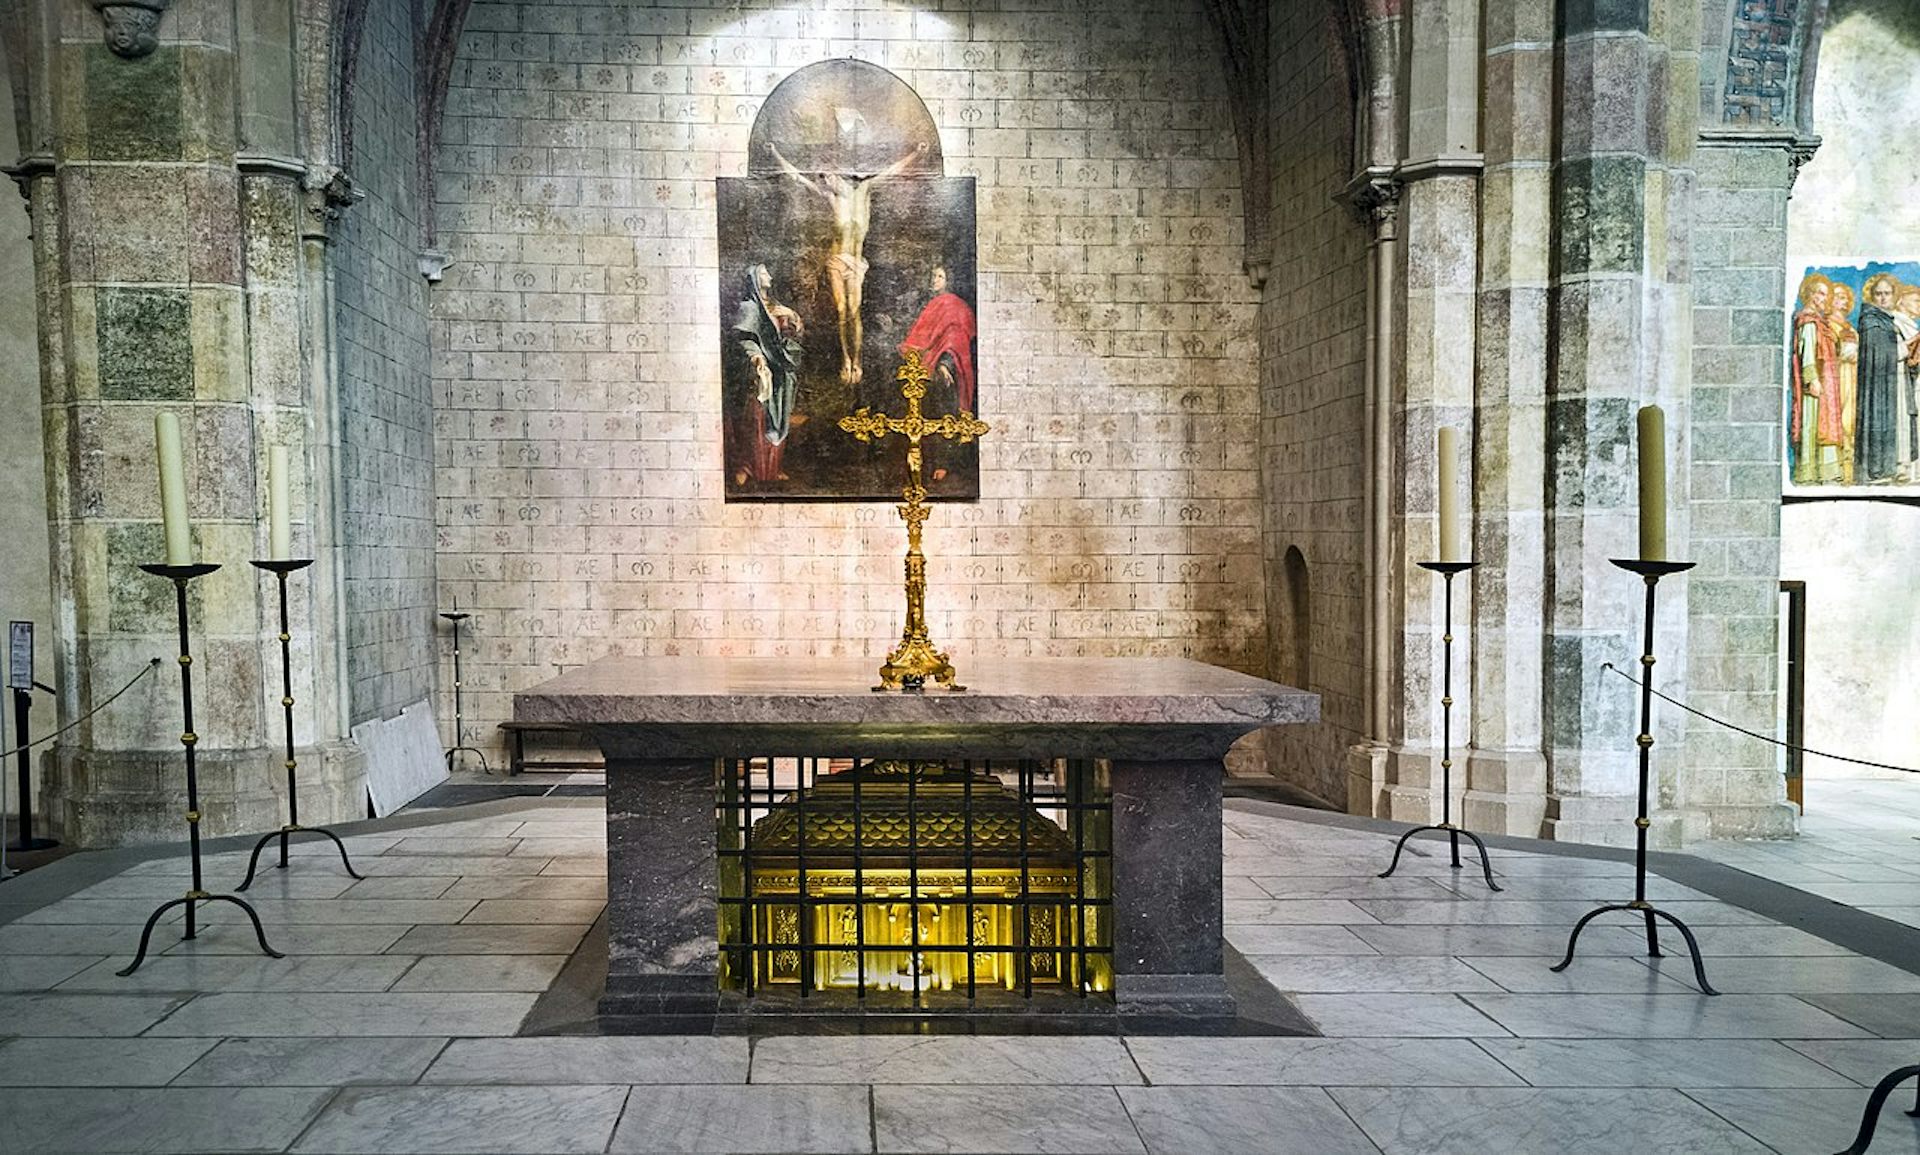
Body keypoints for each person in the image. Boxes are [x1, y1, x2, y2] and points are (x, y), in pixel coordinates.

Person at [767, 138, 929, 387]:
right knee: (843, 311)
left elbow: (892, 171)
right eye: (822, 178)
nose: (825, 180)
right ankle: (846, 360)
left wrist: (915, 153)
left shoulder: (864, 191)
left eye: (827, 175)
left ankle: (858, 361)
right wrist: (775, 152)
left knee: (855, 311)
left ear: (840, 174)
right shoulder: (830, 198)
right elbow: (796, 177)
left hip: (856, 263)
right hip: (836, 261)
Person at [728, 264, 804, 488]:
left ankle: (773, 467)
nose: (769, 276)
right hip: (761, 373)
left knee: (780, 416)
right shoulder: (749, 308)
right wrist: (757, 358)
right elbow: (745, 338)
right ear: (753, 279)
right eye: (763, 274)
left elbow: (793, 334)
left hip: (781, 370)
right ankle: (749, 466)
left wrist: (794, 319)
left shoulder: (778, 306)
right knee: (758, 419)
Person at [1790, 272, 1842, 484]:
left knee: (1825, 424)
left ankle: (1827, 473)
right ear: (1810, 295)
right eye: (1820, 293)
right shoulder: (1808, 321)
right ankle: (1809, 473)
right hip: (1816, 384)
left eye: (1826, 294)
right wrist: (1812, 379)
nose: (1824, 298)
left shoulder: (1821, 322)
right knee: (1812, 424)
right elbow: (1807, 353)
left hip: (1826, 381)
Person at [1855, 273, 1903, 483]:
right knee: (1875, 418)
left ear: (1893, 295)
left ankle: (1887, 468)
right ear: (1872, 296)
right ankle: (1875, 469)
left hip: (1889, 379)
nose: (1883, 298)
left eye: (1887, 293)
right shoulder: (1870, 319)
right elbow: (1876, 351)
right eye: (1878, 294)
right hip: (1873, 381)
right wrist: (1903, 349)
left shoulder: (1888, 319)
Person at [1829, 282, 1860, 483]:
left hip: (1852, 375)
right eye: (1839, 296)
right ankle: (1837, 467)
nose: (1843, 301)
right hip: (1836, 376)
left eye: (1845, 297)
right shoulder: (1827, 325)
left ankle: (1850, 469)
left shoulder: (1851, 327)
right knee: (1838, 418)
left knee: (1851, 419)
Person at [1893, 283, 1920, 479]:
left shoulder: (1909, 323)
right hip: (1900, 381)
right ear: (1901, 300)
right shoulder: (1895, 321)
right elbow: (1894, 352)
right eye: (1916, 300)